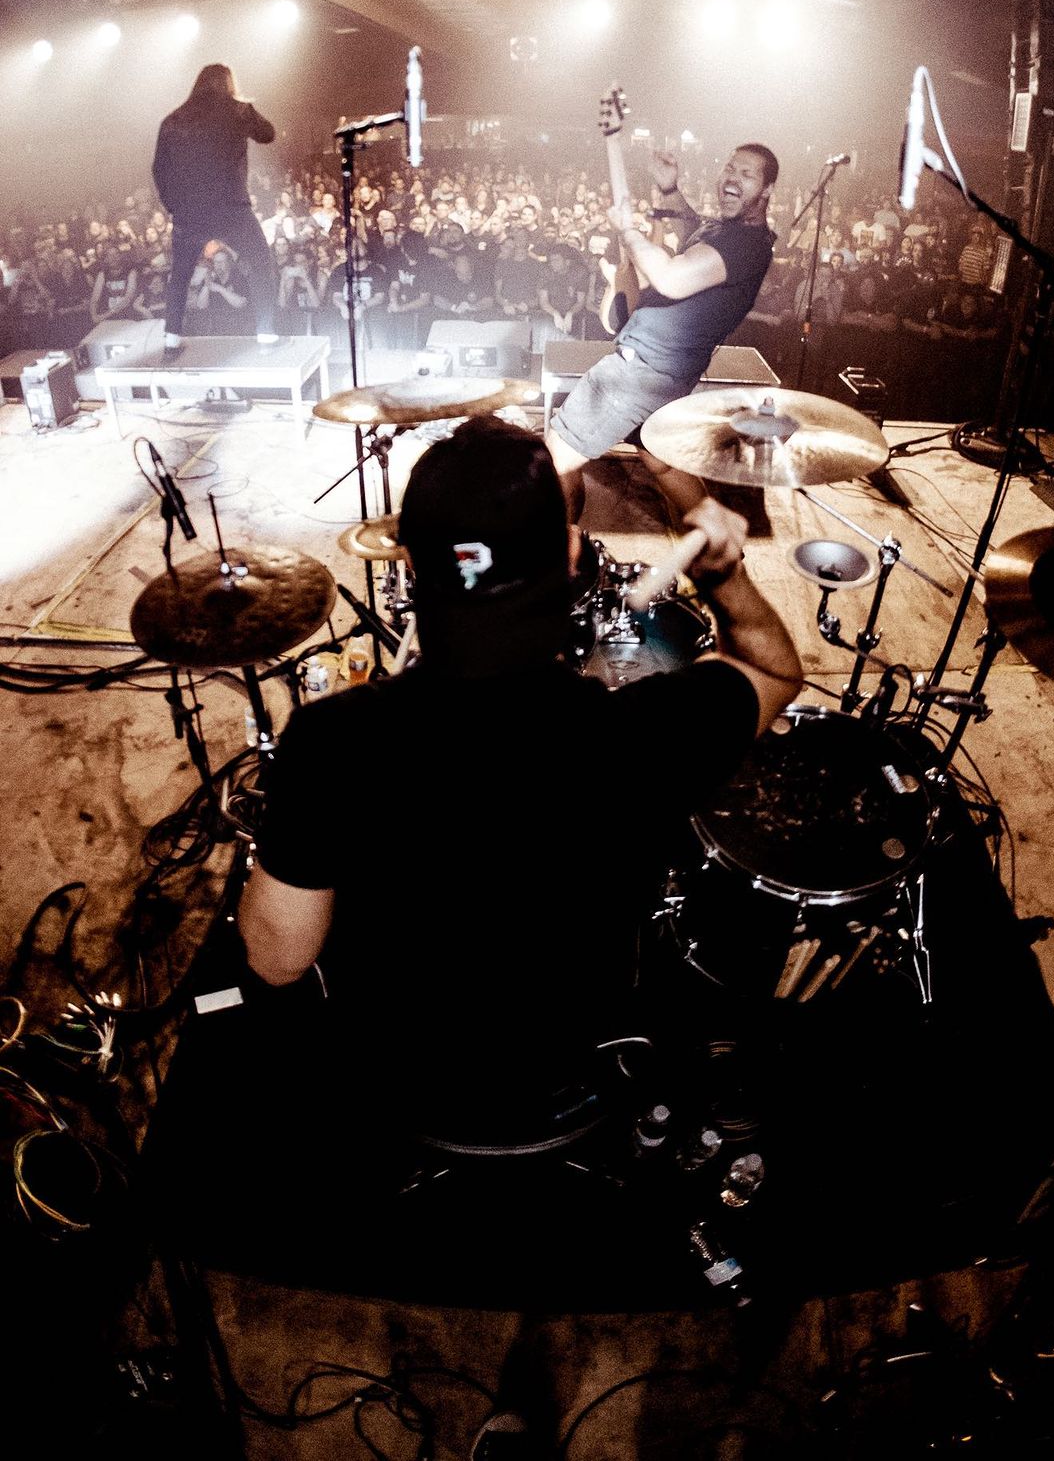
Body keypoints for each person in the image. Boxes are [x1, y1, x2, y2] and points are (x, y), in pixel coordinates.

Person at [239, 417, 802, 1152]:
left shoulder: (330, 743)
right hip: (573, 1055)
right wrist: (723, 573)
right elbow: (771, 668)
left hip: (406, 1071)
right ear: (571, 554)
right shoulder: (638, 735)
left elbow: (277, 960)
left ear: (407, 562)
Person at [547, 143, 778, 519]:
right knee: (662, 463)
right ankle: (720, 537)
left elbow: (671, 278)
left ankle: (562, 546)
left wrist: (627, 230)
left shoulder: (745, 243)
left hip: (638, 374)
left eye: (747, 174)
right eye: (730, 168)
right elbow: (696, 234)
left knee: (554, 462)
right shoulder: (732, 230)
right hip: (666, 373)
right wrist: (670, 190)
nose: (732, 178)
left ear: (767, 190)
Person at [152, 63, 279, 360]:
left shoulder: (173, 120)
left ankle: (171, 340)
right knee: (260, 262)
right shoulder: (238, 110)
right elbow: (268, 134)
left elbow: (159, 169)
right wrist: (245, 107)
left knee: (180, 275)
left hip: (190, 212)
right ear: (228, 83)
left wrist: (173, 206)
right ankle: (265, 332)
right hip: (230, 207)